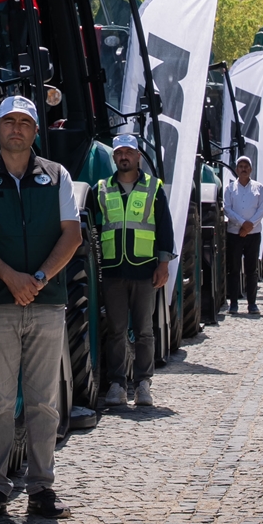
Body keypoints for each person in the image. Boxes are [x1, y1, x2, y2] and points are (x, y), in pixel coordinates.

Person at [0, 95, 82, 520]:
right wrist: (11, 277)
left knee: (43, 402)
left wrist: (39, 279)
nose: (16, 128)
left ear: (35, 130)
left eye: (24, 122)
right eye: (8, 121)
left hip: (46, 304)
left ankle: (42, 488)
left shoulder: (58, 175)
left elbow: (72, 235)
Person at [95, 134, 175, 408]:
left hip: (144, 270)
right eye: (119, 153)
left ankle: (142, 384)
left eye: (128, 152)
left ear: (138, 156)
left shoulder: (153, 187)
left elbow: (164, 227)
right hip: (113, 270)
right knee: (116, 330)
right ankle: (117, 384)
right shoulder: (101, 188)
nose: (124, 157)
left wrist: (163, 263)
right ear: (114, 157)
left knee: (144, 331)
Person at [224, 155, 263, 314]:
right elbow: (227, 209)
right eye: (241, 167)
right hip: (235, 233)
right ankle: (233, 303)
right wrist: (242, 223)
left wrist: (250, 226)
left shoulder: (259, 188)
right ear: (236, 170)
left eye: (246, 166)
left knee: (251, 270)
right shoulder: (230, 188)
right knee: (234, 269)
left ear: (251, 169)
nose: (243, 169)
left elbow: (262, 209)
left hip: (253, 234)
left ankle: (252, 303)